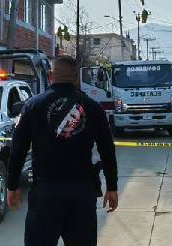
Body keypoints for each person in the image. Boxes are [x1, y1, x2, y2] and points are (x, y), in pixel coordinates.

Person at [8, 55, 118, 246]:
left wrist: (12, 185)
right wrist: (112, 186)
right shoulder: (92, 107)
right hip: (81, 194)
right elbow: (107, 149)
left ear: (50, 76)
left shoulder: (33, 106)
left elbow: (18, 149)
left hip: (45, 194)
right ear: (76, 79)